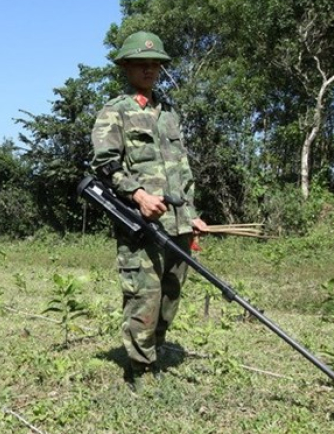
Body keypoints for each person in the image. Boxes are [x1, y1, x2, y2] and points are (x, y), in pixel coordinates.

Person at [90, 31, 208, 392]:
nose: (150, 69)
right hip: (141, 224)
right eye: (142, 63)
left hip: (179, 224)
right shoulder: (115, 112)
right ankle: (141, 370)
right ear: (126, 66)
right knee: (144, 295)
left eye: (156, 63)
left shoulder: (169, 113)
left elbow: (182, 170)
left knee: (171, 295)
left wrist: (192, 215)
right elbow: (104, 165)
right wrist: (138, 194)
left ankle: (155, 349)